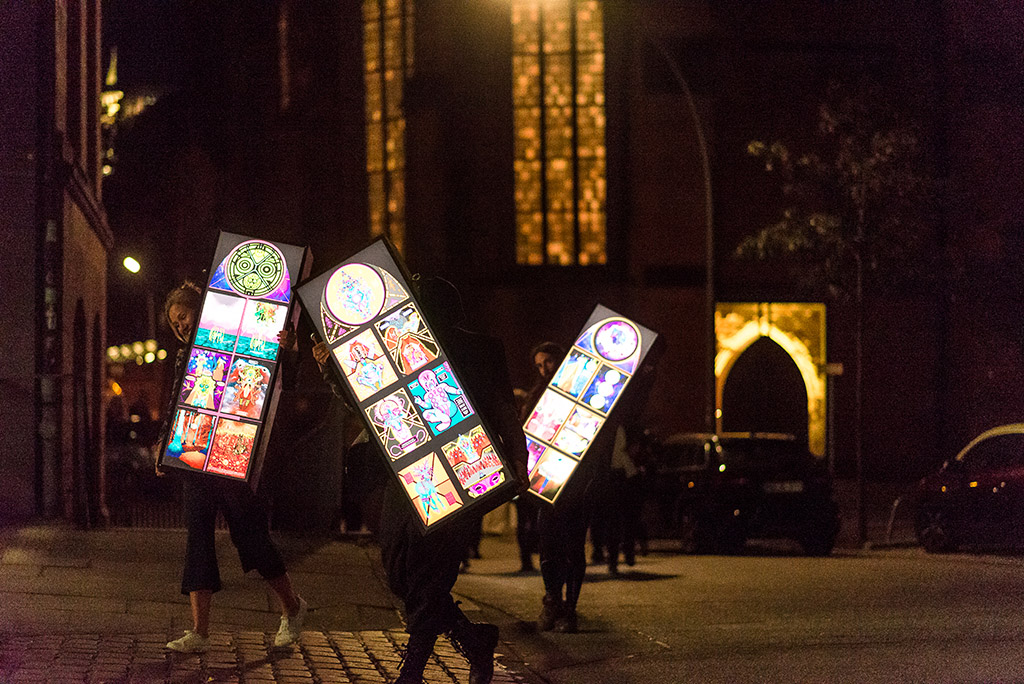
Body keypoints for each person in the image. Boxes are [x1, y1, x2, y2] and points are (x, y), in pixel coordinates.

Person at [313, 276, 528, 684]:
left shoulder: (478, 349)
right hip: (404, 470)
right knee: (398, 571)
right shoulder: (397, 342)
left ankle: (412, 670)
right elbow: (369, 403)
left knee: (431, 576)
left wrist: (518, 459)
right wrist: (328, 368)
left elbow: (503, 412)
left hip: (463, 473)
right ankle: (474, 639)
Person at [158, 280, 307, 654]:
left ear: (201, 310)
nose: (180, 327)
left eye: (184, 317)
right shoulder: (183, 358)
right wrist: (166, 444)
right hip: (196, 455)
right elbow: (178, 399)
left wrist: (290, 349)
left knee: (249, 534)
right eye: (174, 323)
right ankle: (200, 632)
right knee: (198, 538)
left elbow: (276, 377)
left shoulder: (238, 342)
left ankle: (292, 607)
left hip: (232, 454)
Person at [514, 342, 564, 573]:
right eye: (539, 366)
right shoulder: (536, 394)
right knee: (532, 518)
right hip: (537, 464)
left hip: (562, 466)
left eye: (549, 362)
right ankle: (531, 560)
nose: (544, 370)